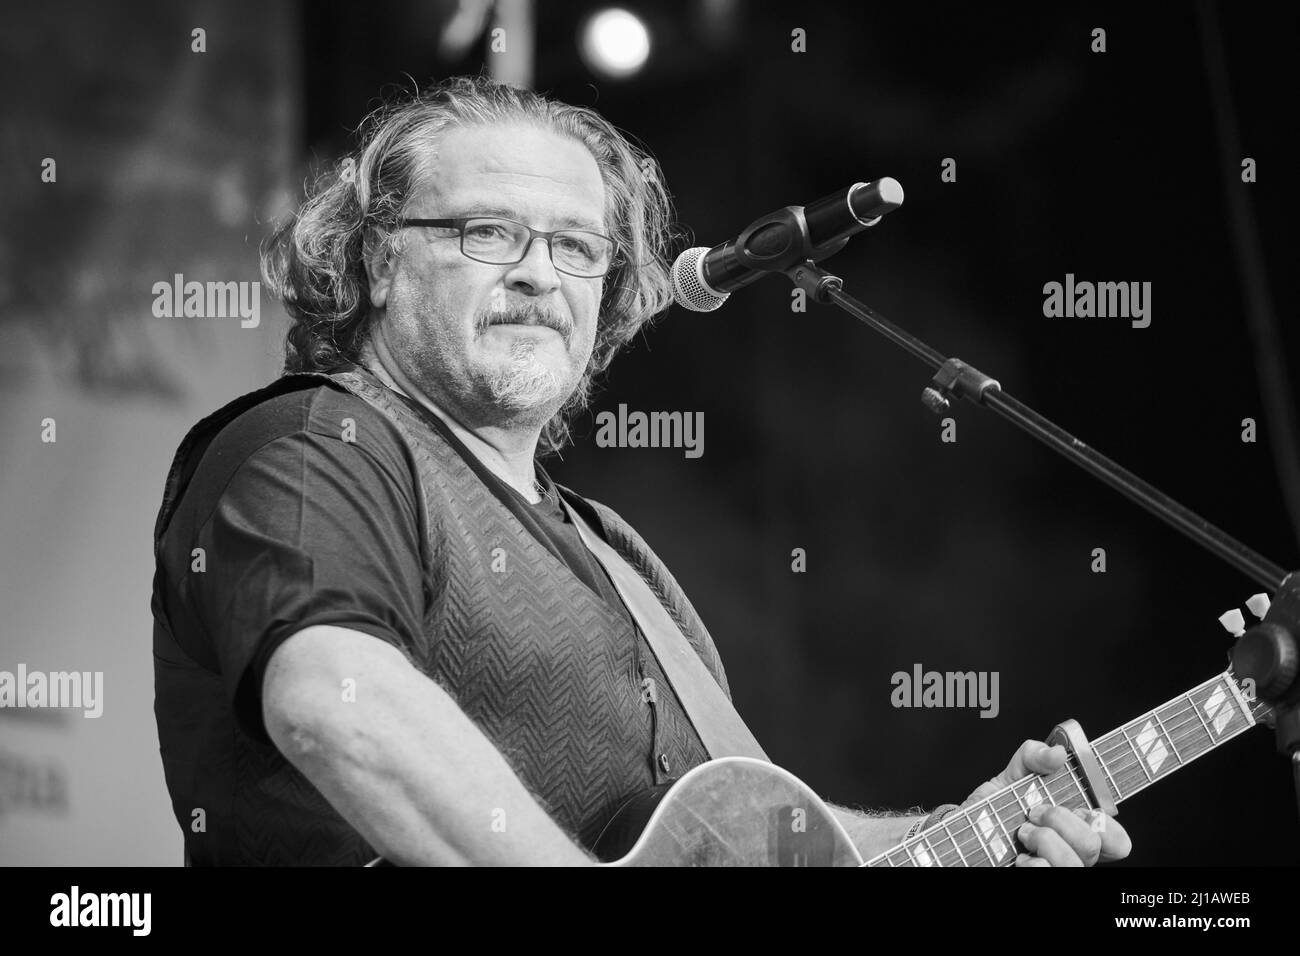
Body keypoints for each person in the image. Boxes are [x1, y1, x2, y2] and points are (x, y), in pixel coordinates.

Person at [150, 74, 1131, 867]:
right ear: (372, 265)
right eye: (486, 232)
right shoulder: (319, 445)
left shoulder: (619, 554)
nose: (538, 273)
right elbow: (337, 707)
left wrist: (968, 826)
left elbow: (763, 841)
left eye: (577, 247)